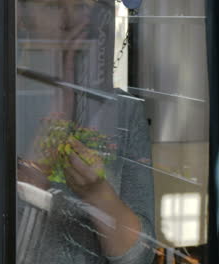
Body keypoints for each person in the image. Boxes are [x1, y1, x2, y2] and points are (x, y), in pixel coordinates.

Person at [16, 0, 156, 263]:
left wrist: (98, 194)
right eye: (52, 6)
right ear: (20, 17)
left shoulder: (123, 111)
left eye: (81, 5)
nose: (70, 20)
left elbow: (141, 256)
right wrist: (35, 170)